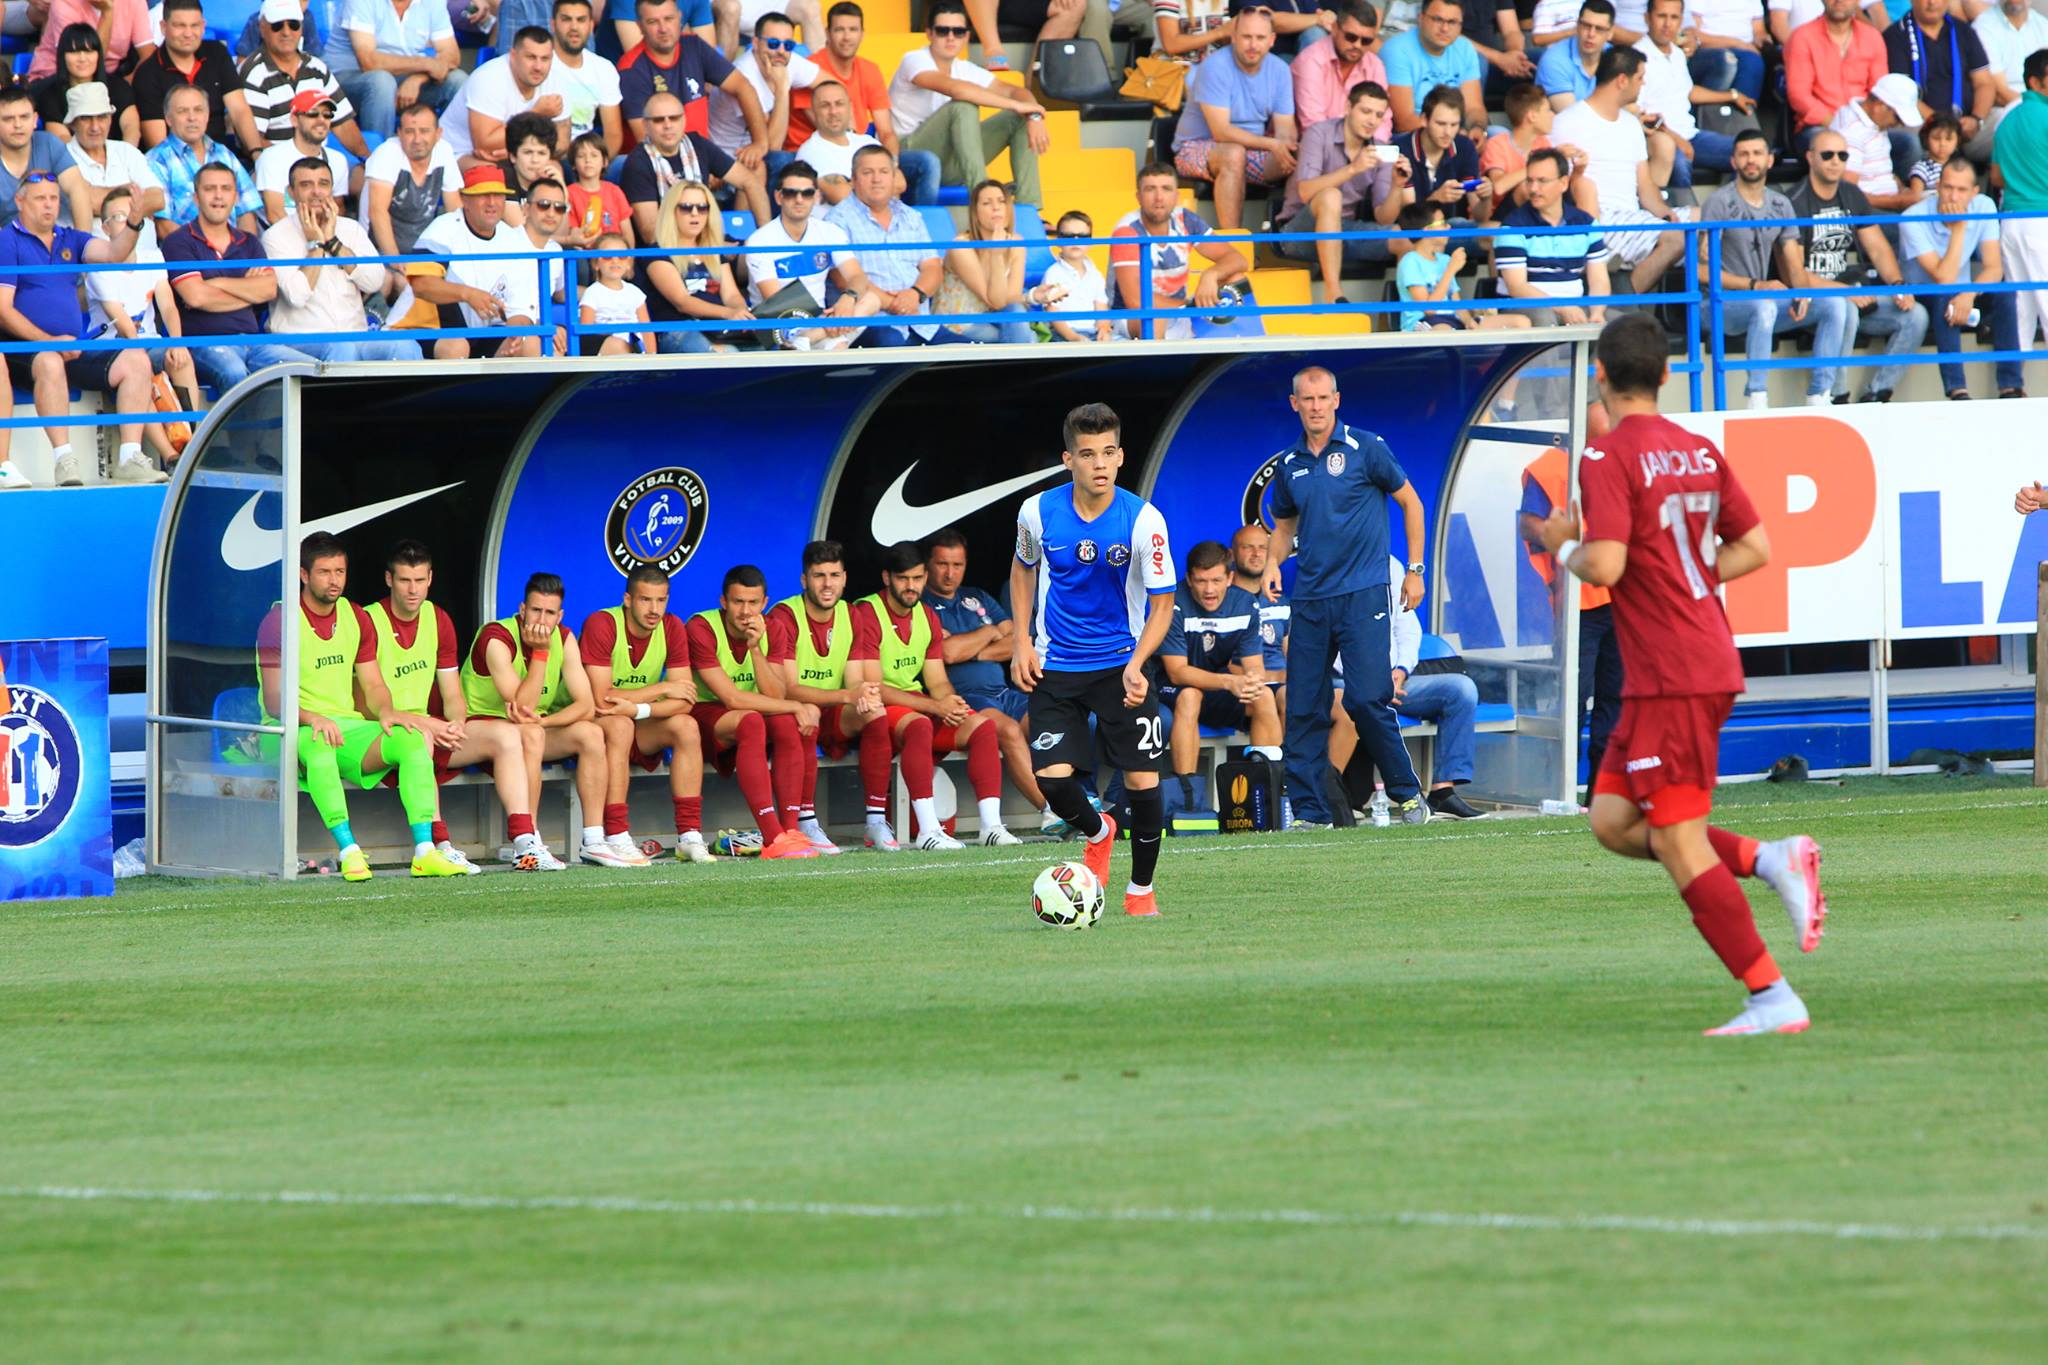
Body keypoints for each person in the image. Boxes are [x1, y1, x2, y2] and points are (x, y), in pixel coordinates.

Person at [1534, 313, 1829, 1037]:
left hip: (1674, 670)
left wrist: (1561, 542)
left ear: (1599, 376)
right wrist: (1686, 578)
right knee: (1610, 821)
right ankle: (1769, 857)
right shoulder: (1696, 450)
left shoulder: (1606, 458)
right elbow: (1754, 546)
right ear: (1666, 374)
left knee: (1676, 839)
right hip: (1680, 663)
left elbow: (1603, 565)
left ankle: (1771, 995)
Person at [1010, 402, 1176, 917]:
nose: (1099, 463)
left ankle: (1140, 892)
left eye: (1108, 452)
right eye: (1087, 454)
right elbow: (1023, 571)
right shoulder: (1037, 512)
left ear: (1121, 456)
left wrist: (1139, 662)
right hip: (1056, 665)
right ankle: (1098, 829)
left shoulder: (1144, 520)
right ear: (1069, 459)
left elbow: (1163, 602)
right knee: (1055, 781)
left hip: (1123, 665)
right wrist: (1021, 642)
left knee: (1143, 783)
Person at [1259, 366, 1428, 828]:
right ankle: (1313, 813)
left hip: (1364, 593)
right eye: (1306, 400)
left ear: (1336, 399)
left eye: (1322, 398)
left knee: (1366, 699)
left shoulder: (1367, 447)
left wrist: (1414, 572)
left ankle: (1408, 795)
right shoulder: (1289, 463)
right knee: (1303, 707)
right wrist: (1274, 562)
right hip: (1311, 600)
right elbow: (1285, 527)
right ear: (1294, 404)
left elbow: (1411, 503)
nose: (1315, 407)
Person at [259, 534, 467, 881]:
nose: (334, 580)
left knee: (413, 740)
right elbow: (274, 701)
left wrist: (388, 712)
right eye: (324, 572)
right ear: (303, 575)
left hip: (346, 728)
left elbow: (372, 685)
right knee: (320, 747)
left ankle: (425, 851)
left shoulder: (355, 616)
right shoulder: (278, 622)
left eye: (340, 571)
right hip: (288, 731)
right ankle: (349, 851)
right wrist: (313, 718)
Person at [361, 539, 535, 874]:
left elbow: (453, 693)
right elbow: (367, 706)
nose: (413, 590)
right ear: (388, 580)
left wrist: (455, 724)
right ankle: (440, 845)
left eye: (420, 580)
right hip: (381, 734)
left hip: (431, 727)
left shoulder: (439, 619)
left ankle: (525, 843)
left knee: (507, 736)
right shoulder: (368, 620)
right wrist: (429, 725)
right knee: (420, 741)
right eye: (404, 580)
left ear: (430, 579)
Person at [850, 540, 1029, 850]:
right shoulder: (867, 611)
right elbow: (873, 686)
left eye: (917, 578)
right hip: (878, 706)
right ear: (887, 578)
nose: (911, 586)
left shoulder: (926, 616)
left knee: (982, 727)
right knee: (920, 725)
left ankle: (991, 826)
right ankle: (928, 830)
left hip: (916, 704)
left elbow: (936, 679)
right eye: (903, 578)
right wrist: (935, 704)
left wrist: (950, 702)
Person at [0, 173, 164, 487]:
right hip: (24, 347)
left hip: (73, 345)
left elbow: (114, 254)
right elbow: (3, 310)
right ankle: (65, 460)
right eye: (39, 198)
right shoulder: (6, 240)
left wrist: (133, 223)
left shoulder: (70, 237)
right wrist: (50, 341)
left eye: (53, 198)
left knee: (136, 360)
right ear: (20, 202)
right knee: (49, 360)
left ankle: (130, 456)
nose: (48, 205)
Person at [459, 571, 631, 867]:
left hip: (528, 732)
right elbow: (522, 707)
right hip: (479, 730)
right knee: (530, 734)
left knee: (590, 734)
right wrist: (540, 654)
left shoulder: (564, 637)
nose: (542, 619)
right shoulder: (496, 636)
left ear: (560, 615)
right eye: (535, 610)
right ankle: (529, 841)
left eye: (550, 613)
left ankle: (593, 838)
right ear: (522, 609)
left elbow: (586, 705)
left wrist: (546, 722)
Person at [578, 566, 718, 867]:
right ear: (628, 599)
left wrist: (639, 709)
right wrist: (662, 688)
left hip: (634, 720)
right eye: (645, 600)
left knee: (686, 726)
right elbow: (601, 699)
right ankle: (616, 835)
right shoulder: (602, 623)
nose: (654, 609)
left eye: (661, 600)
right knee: (619, 724)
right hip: (592, 720)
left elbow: (684, 700)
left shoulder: (672, 627)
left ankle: (689, 836)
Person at [685, 562, 823, 860]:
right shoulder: (701, 626)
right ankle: (772, 836)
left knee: (786, 723)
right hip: (708, 714)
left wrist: (756, 649)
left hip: (755, 711)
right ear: (723, 602)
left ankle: (788, 832)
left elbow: (775, 693)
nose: (746, 612)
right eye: (738, 602)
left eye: (753, 603)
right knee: (754, 720)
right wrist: (798, 705)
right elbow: (731, 698)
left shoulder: (772, 627)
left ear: (765, 602)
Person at [1696, 128, 1832, 411]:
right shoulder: (1718, 202)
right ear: (1733, 161)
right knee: (1764, 306)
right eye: (1743, 154)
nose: (1751, 160)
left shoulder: (1781, 203)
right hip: (1717, 305)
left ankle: (1822, 394)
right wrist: (1755, 285)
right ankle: (1756, 396)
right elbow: (1702, 272)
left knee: (1834, 306)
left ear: (1770, 160)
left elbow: (1794, 263)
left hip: (1761, 301)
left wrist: (1802, 294)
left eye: (1757, 153)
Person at [1785, 128, 1925, 402]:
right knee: (1842, 305)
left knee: (1916, 315)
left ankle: (1877, 393)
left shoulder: (1852, 194)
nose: (1835, 161)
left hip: (1856, 292)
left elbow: (1878, 248)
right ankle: (1836, 395)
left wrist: (1898, 285)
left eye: (1842, 155)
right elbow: (1794, 273)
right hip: (1818, 302)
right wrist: (1842, 290)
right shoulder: (1794, 200)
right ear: (1810, 157)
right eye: (1827, 155)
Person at [762, 539, 879, 853]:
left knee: (876, 713)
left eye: (834, 575)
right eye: (819, 576)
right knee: (805, 713)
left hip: (832, 707)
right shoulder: (785, 615)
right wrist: (846, 695)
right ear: (804, 580)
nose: (828, 584)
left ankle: (877, 820)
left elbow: (854, 680)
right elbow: (787, 687)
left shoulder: (851, 614)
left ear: (844, 579)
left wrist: (862, 696)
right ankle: (806, 819)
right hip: (794, 708)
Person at [161, 164, 317, 389]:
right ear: (196, 197)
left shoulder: (249, 241)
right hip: (203, 343)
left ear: (235, 196)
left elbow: (269, 291)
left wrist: (218, 283)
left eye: (225, 189)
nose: (218, 196)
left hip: (254, 342)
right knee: (234, 373)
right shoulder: (179, 241)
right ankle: (240, 427)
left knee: (310, 370)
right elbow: (196, 297)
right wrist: (248, 289)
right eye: (209, 189)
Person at [1516, 446, 1622, 777]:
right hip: (1579, 601)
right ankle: (1561, 786)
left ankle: (1602, 789)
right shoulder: (1552, 466)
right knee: (1573, 698)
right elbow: (1529, 524)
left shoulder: (1627, 456)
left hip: (1625, 598)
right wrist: (1570, 540)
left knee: (1616, 699)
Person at [889, 2, 1048, 212]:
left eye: (958, 31)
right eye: (943, 30)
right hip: (911, 155)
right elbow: (957, 90)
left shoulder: (965, 69)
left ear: (966, 36)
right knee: (963, 106)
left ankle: (1030, 208)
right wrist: (1019, 106)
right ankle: (983, 199)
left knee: (1018, 119)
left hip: (951, 160)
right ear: (929, 34)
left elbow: (1015, 91)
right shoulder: (914, 59)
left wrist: (1033, 115)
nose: (951, 37)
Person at [86, 185, 202, 471]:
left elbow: (168, 306)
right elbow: (124, 325)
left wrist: (176, 342)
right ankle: (171, 457)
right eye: (119, 217)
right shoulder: (98, 267)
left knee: (181, 360)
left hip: (151, 341)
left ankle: (194, 443)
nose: (127, 223)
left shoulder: (153, 257)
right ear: (105, 227)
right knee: (141, 368)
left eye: (133, 216)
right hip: (114, 347)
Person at [1158, 539, 1280, 811]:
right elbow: (1177, 673)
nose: (1209, 590)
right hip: (1171, 690)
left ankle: (1268, 792)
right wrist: (1229, 681)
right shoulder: (1173, 603)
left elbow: (1254, 667)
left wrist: (1250, 683)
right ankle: (1188, 801)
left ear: (1230, 578)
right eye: (1201, 581)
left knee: (1262, 696)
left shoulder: (1245, 603)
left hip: (1216, 688)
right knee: (1190, 696)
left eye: (1216, 580)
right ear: (1189, 580)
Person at [1552, 47, 1686, 294]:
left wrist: (1667, 215)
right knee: (1677, 238)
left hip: (1633, 217)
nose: (1643, 84)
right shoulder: (1569, 121)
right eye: (1640, 77)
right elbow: (1558, 185)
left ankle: (1705, 314)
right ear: (1622, 80)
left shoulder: (1630, 125)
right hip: (1600, 220)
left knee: (1706, 219)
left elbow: (1645, 188)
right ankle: (1622, 306)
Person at [263, 156, 421, 361]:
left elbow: (374, 282)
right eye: (306, 185)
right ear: (291, 193)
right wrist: (316, 245)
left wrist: (333, 243)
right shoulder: (275, 236)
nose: (316, 192)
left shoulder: (351, 229)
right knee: (342, 348)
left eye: (323, 184)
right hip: (301, 341)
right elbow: (297, 296)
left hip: (356, 336)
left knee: (405, 346)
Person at [398, 163, 561, 359]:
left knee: (530, 343)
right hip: (421, 329)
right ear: (464, 199)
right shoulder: (444, 228)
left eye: (498, 195)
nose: (492, 202)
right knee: (457, 346)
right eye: (483, 195)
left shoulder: (514, 240)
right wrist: (468, 294)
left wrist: (517, 334)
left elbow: (520, 308)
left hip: (479, 333)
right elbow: (421, 285)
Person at [787, 3, 941, 209]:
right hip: (814, 151)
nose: (847, 37)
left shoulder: (870, 70)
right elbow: (830, 126)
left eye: (853, 30)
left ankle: (914, 225)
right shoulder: (811, 68)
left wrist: (892, 165)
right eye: (839, 29)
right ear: (828, 33)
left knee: (926, 162)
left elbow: (886, 131)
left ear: (862, 34)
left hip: (857, 149)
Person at [1277, 79, 1413, 303]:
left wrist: (1397, 186)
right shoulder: (1318, 133)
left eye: (1379, 115)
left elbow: (1383, 217)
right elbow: (1304, 191)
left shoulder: (1379, 149)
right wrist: (1353, 169)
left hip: (1344, 231)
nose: (1372, 121)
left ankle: (1409, 317)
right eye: (1366, 111)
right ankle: (1334, 295)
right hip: (1299, 231)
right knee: (1332, 196)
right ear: (1348, 108)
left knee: (1404, 238)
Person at [1902, 156, 2024, 398]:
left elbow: (1993, 268)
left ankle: (2011, 386)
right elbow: (1943, 278)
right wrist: (1958, 228)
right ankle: (1957, 390)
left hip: (1962, 291)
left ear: (1974, 192)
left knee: (2005, 291)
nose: (1954, 197)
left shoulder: (1984, 205)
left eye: (1962, 190)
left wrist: (1968, 293)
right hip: (1924, 294)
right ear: (1937, 187)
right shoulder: (1912, 217)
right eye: (1948, 188)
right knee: (1944, 295)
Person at [1171, 7, 1297, 231]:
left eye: (1260, 38)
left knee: (1303, 155)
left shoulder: (1280, 70)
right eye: (1246, 37)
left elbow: (1285, 129)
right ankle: (1234, 243)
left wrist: (1286, 148)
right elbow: (1221, 132)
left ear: (1272, 40)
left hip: (1253, 149)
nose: (1253, 45)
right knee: (1233, 154)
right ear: (1233, 37)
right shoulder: (1214, 66)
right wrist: (1272, 144)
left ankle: (1287, 240)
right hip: (1196, 147)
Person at [1110, 160, 1251, 340]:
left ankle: (1239, 356)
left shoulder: (1185, 218)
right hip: (1131, 317)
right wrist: (1188, 306)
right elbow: (1135, 301)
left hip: (1178, 312)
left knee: (1235, 280)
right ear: (1138, 197)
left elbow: (1238, 259)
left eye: (1166, 189)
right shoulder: (1127, 230)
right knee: (1156, 317)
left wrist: (1210, 275)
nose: (1159, 197)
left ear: (1176, 196)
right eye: (1150, 189)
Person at [827, 145, 952, 346]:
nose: (876, 179)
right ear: (853, 179)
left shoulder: (911, 216)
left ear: (894, 177)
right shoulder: (837, 220)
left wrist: (915, 294)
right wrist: (892, 304)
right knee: (894, 351)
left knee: (970, 352)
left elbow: (933, 267)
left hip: (920, 322)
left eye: (884, 172)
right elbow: (842, 279)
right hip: (872, 323)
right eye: (867, 172)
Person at [745, 160, 879, 347]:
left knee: (872, 299)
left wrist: (848, 299)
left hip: (818, 321)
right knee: (838, 348)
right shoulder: (759, 240)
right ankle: (809, 338)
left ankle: (808, 339)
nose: (799, 199)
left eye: (806, 193)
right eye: (791, 193)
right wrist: (827, 324)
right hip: (779, 323)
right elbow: (777, 301)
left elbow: (857, 276)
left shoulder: (830, 231)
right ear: (778, 197)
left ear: (816, 197)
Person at [618, 0, 765, 155]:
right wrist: (702, 165)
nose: (663, 29)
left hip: (705, 154)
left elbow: (742, 86)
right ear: (640, 26)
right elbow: (648, 142)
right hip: (660, 163)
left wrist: (760, 143)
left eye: (669, 19)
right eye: (653, 22)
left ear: (679, 18)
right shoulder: (630, 69)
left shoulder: (693, 45)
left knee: (758, 170)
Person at [622, 90, 768, 240]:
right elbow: (650, 233)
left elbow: (750, 181)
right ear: (645, 125)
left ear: (684, 120)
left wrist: (766, 237)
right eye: (659, 120)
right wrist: (706, 246)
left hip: (707, 239)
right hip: (666, 251)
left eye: (674, 118)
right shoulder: (637, 162)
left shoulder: (697, 144)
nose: (668, 125)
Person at [1493, 147, 1611, 324]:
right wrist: (1562, 307)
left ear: (1563, 183)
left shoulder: (1586, 224)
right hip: (1525, 308)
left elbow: (1599, 280)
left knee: (1626, 323)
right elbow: (1517, 287)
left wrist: (1597, 312)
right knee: (1545, 318)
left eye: (1542, 181)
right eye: (1529, 181)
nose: (1533, 188)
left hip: (1575, 306)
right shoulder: (1512, 226)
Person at [922, 528, 1029, 721]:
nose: (950, 574)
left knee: (1049, 726)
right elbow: (948, 652)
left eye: (957, 565)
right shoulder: (922, 605)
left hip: (1004, 693)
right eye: (942, 564)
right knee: (1010, 731)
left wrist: (975, 653)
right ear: (927, 564)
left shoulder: (977, 596)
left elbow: (1018, 643)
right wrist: (990, 631)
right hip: (965, 699)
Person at [240, 0, 372, 157]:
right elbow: (254, 141)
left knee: (360, 173)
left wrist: (367, 161)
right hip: (275, 166)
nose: (286, 32)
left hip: (318, 163)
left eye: (293, 25)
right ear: (262, 28)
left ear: (302, 28)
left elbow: (344, 125)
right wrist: (299, 163)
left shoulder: (318, 68)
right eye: (277, 26)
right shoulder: (254, 73)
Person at [1635, 0, 1740, 192]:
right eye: (1661, 16)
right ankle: (1682, 218)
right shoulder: (1637, 57)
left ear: (1681, 21)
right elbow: (1638, 113)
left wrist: (1731, 96)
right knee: (1680, 165)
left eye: (1674, 17)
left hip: (1692, 136)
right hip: (1658, 141)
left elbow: (1688, 92)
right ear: (1647, 18)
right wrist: (1676, 139)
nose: (1668, 24)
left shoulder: (1677, 54)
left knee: (1746, 152)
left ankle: (1724, 212)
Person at [134, 0, 263, 153]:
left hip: (220, 158)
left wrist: (256, 153)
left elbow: (239, 110)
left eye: (194, 26)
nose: (188, 34)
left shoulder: (218, 54)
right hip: (173, 165)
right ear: (163, 27)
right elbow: (157, 145)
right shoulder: (147, 73)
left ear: (203, 26)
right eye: (180, 26)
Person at [936, 179, 1056, 343]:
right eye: (987, 203)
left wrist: (1032, 296)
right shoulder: (961, 247)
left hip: (993, 316)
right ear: (975, 213)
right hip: (959, 323)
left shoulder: (1016, 242)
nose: (996, 207)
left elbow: (1011, 298)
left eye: (1002, 201)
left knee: (1016, 313)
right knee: (1024, 337)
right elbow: (995, 301)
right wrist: (997, 255)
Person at [328, 0, 467, 139]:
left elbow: (452, 56)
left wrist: (417, 78)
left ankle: (448, 152)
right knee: (382, 82)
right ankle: (378, 155)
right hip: (348, 79)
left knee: (457, 80)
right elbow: (369, 62)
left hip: (404, 77)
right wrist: (425, 64)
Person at [707, 9, 824, 164]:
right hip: (728, 161)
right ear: (755, 43)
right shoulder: (744, 74)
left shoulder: (786, 59)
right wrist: (783, 89)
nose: (781, 51)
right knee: (785, 160)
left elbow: (834, 87)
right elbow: (772, 147)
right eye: (773, 43)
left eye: (788, 44)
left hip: (755, 155)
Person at [441, 27, 571, 163]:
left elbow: (562, 143)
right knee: (489, 174)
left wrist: (517, 154)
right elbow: (485, 144)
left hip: (523, 155)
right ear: (513, 56)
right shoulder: (489, 78)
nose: (538, 67)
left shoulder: (556, 78)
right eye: (531, 57)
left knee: (554, 172)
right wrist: (535, 114)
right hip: (461, 153)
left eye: (545, 58)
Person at [1885, 0, 1994, 160]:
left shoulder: (1964, 30)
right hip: (1922, 123)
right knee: (1908, 138)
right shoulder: (1895, 35)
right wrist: (1941, 124)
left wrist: (1977, 119)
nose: (1932, 3)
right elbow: (1900, 91)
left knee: (2009, 125)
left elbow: (1984, 83)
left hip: (1967, 124)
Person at [1396, 201, 1530, 331]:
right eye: (1442, 223)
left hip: (1453, 319)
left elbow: (1456, 302)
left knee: (1521, 322)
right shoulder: (1410, 262)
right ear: (1426, 230)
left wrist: (1468, 321)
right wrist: (1450, 270)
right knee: (1444, 331)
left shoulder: (1444, 259)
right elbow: (1429, 309)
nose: (1448, 227)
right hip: (1424, 322)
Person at [798, 78, 931, 206]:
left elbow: (900, 183)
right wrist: (880, 185)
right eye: (825, 105)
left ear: (850, 108)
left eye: (839, 104)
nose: (833, 111)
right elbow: (842, 196)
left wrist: (851, 184)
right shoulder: (810, 152)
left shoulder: (867, 142)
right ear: (814, 111)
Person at [146, 86, 263, 232]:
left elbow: (246, 211)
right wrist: (203, 251)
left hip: (233, 251)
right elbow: (162, 226)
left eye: (198, 110)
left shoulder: (224, 154)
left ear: (207, 116)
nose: (192, 117)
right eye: (182, 111)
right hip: (186, 251)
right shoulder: (156, 160)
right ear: (168, 119)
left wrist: (241, 250)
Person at [1994, 50, 2048, 353]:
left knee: (2022, 311)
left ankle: (2016, 387)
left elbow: (1996, 175)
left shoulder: (2007, 118)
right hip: (2041, 220)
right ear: (2035, 81)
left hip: (2011, 221)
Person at [64, 83, 164, 232]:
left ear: (110, 119)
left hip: (147, 253)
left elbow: (157, 199)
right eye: (86, 118)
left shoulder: (127, 151)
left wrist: (103, 199)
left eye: (102, 117)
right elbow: (88, 202)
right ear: (72, 124)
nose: (95, 127)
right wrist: (129, 192)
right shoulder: (62, 156)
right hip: (93, 253)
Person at [365, 101, 461, 255]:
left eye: (424, 131)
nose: (417, 139)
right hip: (378, 250)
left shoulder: (444, 151)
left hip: (425, 248)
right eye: (410, 131)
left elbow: (454, 209)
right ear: (399, 133)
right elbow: (377, 212)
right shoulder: (386, 154)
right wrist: (396, 262)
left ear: (438, 134)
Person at [1787, 0, 1891, 140]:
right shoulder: (1802, 37)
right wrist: (1837, 125)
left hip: (1865, 125)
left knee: (1908, 145)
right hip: (1819, 126)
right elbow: (1799, 96)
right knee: (1831, 144)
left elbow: (1880, 92)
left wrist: (1864, 125)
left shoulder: (1872, 37)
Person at [1380, 0, 1485, 134]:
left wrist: (1477, 128)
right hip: (1413, 137)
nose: (1445, 28)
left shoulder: (1465, 48)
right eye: (1437, 19)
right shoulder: (1397, 50)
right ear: (1421, 18)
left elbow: (1474, 108)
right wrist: (1451, 136)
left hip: (1454, 130)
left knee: (1497, 132)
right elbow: (1404, 121)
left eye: (1452, 22)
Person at [1392, 84, 1491, 225]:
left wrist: (1486, 198)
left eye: (1454, 125)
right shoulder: (1402, 149)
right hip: (1413, 236)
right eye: (1441, 124)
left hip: (1451, 227)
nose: (1447, 132)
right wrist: (1436, 198)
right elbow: (1408, 223)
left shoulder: (1465, 147)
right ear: (1424, 120)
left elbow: (1480, 217)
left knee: (1494, 232)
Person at [29, 24, 142, 146]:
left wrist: (125, 157)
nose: (82, 59)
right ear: (63, 56)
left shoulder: (118, 86)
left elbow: (131, 128)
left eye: (89, 51)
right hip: (74, 161)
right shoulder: (50, 95)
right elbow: (62, 138)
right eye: (74, 52)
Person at [1292, 0, 1390, 139]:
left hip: (1360, 149)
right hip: (1312, 148)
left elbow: (1383, 120)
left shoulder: (1375, 65)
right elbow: (1314, 126)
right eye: (1351, 37)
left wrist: (1377, 153)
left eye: (1366, 41)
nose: (1357, 45)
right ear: (1334, 28)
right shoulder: (1311, 61)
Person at [1831, 71, 1927, 210]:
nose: (1899, 124)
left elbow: (1879, 169)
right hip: (1867, 211)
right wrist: (1899, 202)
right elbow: (1848, 195)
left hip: (1885, 200)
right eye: (1898, 118)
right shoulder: (1852, 132)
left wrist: (1903, 191)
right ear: (1880, 105)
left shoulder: (1872, 121)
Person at [0, 88, 91, 233]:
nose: (17, 125)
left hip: (56, 235)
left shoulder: (49, 143)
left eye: (24, 117)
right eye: (8, 119)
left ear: (35, 120)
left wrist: (82, 243)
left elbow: (77, 189)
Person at [255, 92, 354, 223]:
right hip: (284, 236)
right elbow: (275, 214)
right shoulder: (272, 158)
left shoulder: (338, 160)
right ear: (294, 119)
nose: (321, 120)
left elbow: (338, 208)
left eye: (327, 115)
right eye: (313, 114)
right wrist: (310, 239)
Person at [551, 0, 623, 148]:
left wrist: (601, 167)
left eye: (581, 20)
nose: (574, 27)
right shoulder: (539, 63)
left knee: (624, 164)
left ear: (591, 26)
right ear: (553, 24)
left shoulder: (603, 68)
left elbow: (613, 134)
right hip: (545, 155)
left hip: (587, 158)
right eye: (566, 19)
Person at [28, 0, 151, 84]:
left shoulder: (134, 2)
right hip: (58, 77)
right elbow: (87, 60)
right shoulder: (64, 3)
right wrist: (107, 13)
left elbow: (147, 53)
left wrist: (128, 83)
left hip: (109, 78)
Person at [1040, 208, 1113, 341]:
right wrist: (1072, 337)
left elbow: (1101, 306)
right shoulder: (1053, 273)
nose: (1075, 240)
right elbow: (1052, 312)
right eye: (1068, 236)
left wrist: (1103, 328)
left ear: (1090, 241)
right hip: (1063, 333)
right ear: (1058, 240)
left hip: (1093, 331)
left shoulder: (1095, 274)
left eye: (1082, 236)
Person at [1685, 0, 1768, 104]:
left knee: (1755, 61)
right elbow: (1691, 35)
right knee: (1736, 60)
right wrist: (1738, 44)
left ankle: (1745, 116)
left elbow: (1759, 30)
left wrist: (1763, 40)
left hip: (1747, 50)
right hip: (1708, 49)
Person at [1537, 0, 1614, 111]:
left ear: (1610, 33)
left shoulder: (1615, 58)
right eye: (1586, 26)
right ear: (1577, 25)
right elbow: (1572, 118)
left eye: (1599, 29)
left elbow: (1629, 105)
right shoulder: (1554, 61)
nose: (1591, 34)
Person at [1908, 110, 1960, 192]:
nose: (1942, 144)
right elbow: (1915, 197)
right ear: (1926, 139)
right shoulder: (1922, 168)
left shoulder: (1961, 167)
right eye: (1936, 138)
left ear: (1957, 141)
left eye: (1948, 139)